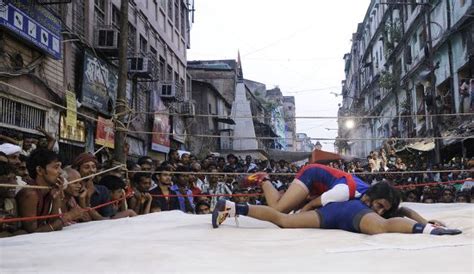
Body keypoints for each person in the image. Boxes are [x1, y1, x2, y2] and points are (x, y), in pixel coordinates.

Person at [212, 182, 462, 236]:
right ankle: (428, 232)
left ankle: (233, 207)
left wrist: (425, 218)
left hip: (332, 212)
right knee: (383, 228)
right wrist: (427, 228)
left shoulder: (359, 196)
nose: (380, 211)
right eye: (379, 205)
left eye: (384, 208)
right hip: (341, 211)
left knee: (282, 220)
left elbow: (404, 211)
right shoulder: (351, 193)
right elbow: (390, 221)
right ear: (372, 196)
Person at [242, 164, 370, 214]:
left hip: (322, 185)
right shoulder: (346, 192)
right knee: (279, 210)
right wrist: (296, 220)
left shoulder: (368, 192)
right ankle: (263, 179)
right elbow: (311, 205)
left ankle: (278, 193)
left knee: (285, 204)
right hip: (312, 175)